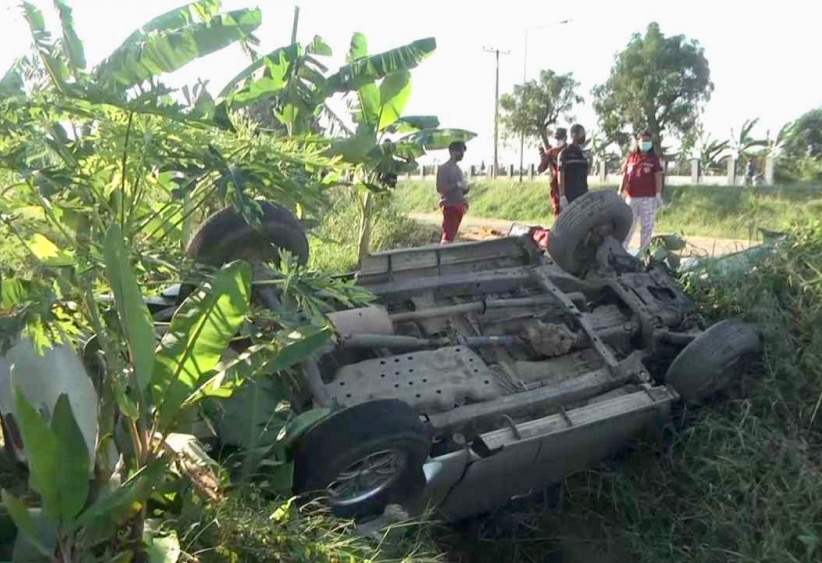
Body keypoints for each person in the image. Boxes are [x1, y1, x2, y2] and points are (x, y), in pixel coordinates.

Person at [618, 129, 664, 251]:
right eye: (643, 141)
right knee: (628, 227)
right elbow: (625, 176)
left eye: (647, 141)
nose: (645, 143)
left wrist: (658, 194)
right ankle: (621, 252)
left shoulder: (654, 159)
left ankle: (644, 254)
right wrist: (620, 192)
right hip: (631, 197)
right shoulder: (631, 157)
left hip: (648, 198)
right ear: (638, 142)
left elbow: (658, 177)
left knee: (647, 228)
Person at [436, 141, 469, 244]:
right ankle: (443, 257)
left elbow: (460, 190)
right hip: (450, 206)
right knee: (448, 237)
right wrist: (457, 185)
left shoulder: (458, 169)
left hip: (459, 205)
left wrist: (465, 188)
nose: (462, 155)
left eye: (463, 152)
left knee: (451, 236)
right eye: (460, 152)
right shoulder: (444, 168)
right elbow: (440, 188)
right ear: (452, 152)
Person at [557, 124, 589, 210]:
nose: (583, 137)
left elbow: (586, 173)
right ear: (573, 135)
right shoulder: (565, 153)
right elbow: (561, 175)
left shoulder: (583, 154)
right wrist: (562, 196)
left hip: (583, 194)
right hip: (569, 195)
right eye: (581, 134)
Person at [537, 127, 567, 217]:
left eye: (560, 138)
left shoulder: (570, 150)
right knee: (558, 214)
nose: (558, 140)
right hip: (556, 188)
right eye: (556, 138)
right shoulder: (551, 152)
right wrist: (543, 159)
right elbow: (540, 169)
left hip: (570, 187)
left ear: (565, 138)